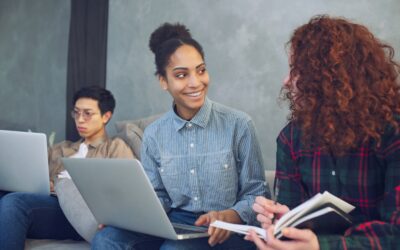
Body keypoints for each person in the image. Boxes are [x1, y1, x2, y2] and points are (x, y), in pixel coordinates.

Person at [91, 23, 268, 249]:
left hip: (227, 228)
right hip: (176, 222)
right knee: (106, 239)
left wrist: (228, 216)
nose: (195, 82)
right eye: (182, 75)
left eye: (201, 70)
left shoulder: (239, 125)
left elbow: (258, 194)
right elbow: (158, 196)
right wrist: (124, 217)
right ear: (163, 81)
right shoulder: (154, 134)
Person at [245, 15, 400, 250]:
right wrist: (283, 223)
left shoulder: (393, 132)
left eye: (296, 70)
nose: (286, 81)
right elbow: (293, 219)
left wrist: (322, 245)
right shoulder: (291, 139)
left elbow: (396, 233)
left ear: (331, 78)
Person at [0, 86, 134, 249]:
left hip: (85, 213)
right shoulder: (61, 148)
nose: (80, 119)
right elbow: (31, 175)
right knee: (7, 196)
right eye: (76, 112)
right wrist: (46, 183)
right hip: (52, 207)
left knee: (14, 202)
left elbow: (126, 190)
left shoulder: (115, 147)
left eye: (87, 113)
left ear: (106, 116)